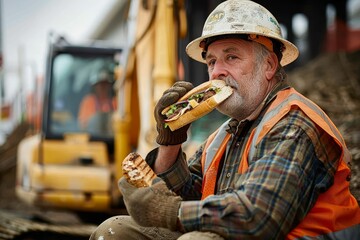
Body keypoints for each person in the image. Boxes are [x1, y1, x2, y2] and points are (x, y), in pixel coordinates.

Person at [90, 0, 360, 239]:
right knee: (115, 231)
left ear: (269, 66)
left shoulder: (295, 123)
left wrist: (169, 211)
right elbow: (190, 199)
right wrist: (170, 140)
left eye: (231, 57)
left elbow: (258, 218)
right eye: (211, 62)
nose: (216, 72)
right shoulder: (225, 135)